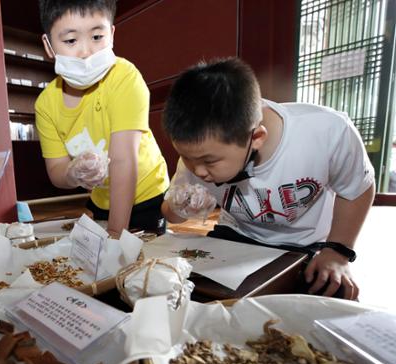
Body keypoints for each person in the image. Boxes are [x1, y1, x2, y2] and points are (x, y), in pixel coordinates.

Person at [161, 57, 375, 300]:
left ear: (257, 138)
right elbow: (170, 213)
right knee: (183, 291)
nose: (198, 171)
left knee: (332, 299)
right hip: (236, 235)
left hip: (304, 245)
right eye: (187, 158)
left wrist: (338, 251)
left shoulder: (327, 132)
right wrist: (182, 206)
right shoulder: (197, 156)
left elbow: (357, 189)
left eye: (209, 162)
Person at [35, 0, 169, 237]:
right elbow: (56, 169)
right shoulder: (46, 104)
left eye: (97, 37)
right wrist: (72, 173)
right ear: (48, 45)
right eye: (70, 41)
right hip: (102, 198)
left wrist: (116, 235)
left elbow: (123, 162)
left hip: (147, 193)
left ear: (112, 33)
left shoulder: (125, 78)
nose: (86, 51)